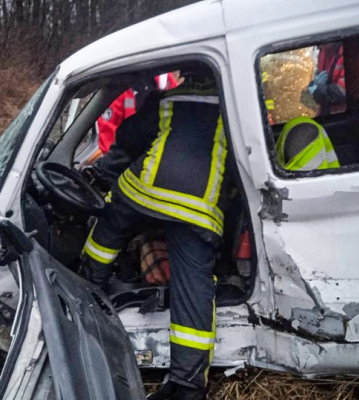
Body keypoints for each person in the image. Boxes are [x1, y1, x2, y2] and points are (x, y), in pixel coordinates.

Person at [82, 67, 229, 400]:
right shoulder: (234, 106)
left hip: (144, 191)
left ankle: (90, 284)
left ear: (189, 74)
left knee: (110, 225)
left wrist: (100, 177)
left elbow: (126, 142)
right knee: (193, 285)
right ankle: (188, 382)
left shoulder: (167, 101)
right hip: (198, 209)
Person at [97, 73, 180, 154]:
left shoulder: (165, 80)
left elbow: (178, 116)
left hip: (162, 150)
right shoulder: (120, 85)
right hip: (131, 154)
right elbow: (108, 135)